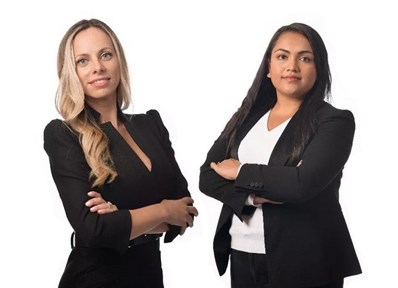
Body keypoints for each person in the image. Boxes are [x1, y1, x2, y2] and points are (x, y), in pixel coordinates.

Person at [199, 22, 361, 288]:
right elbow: (208, 175)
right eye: (282, 56)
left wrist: (240, 171)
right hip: (242, 253)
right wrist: (255, 194)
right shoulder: (245, 117)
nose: (292, 66)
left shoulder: (334, 122)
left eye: (305, 58)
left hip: (306, 260)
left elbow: (302, 184)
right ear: (268, 67)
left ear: (318, 68)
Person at [43, 18, 198, 288]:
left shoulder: (151, 123)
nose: (98, 67)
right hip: (95, 277)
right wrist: (163, 210)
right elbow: (93, 230)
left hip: (148, 275)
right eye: (83, 61)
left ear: (119, 61)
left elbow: (184, 210)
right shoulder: (64, 134)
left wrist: (122, 217)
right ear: (71, 72)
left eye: (106, 55)